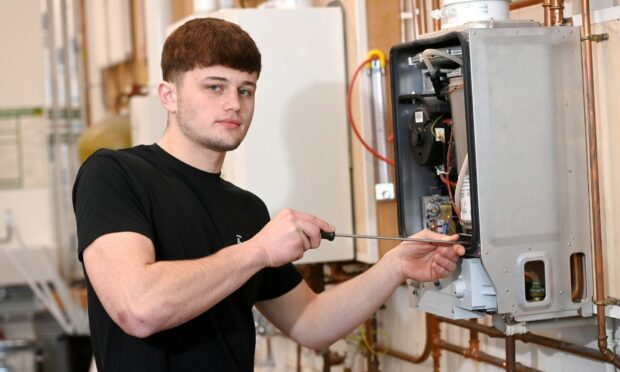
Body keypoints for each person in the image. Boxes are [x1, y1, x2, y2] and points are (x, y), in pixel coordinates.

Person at [73, 17, 465, 372]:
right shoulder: (115, 174)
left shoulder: (246, 209)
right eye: (214, 86)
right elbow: (138, 307)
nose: (233, 104)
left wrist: (395, 265)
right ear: (168, 96)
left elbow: (311, 322)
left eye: (246, 90)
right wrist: (258, 251)